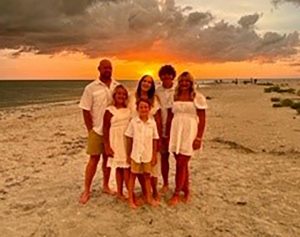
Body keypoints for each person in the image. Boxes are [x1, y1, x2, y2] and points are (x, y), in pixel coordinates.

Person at [79, 59, 119, 204]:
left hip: (112, 131)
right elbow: (85, 109)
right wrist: (90, 129)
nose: (108, 70)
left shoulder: (117, 86)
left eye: (110, 67)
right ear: (99, 69)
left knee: (107, 160)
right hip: (97, 129)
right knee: (93, 160)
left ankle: (106, 186)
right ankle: (87, 190)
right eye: (105, 68)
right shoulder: (91, 88)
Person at [167, 71, 207, 206]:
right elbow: (170, 116)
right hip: (175, 130)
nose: (184, 83)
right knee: (181, 163)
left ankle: (176, 193)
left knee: (181, 163)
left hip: (190, 131)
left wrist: (199, 138)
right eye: (182, 81)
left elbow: (202, 118)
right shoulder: (174, 96)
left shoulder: (197, 97)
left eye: (187, 81)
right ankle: (187, 190)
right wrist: (167, 134)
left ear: (191, 83)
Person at [128, 75, 162, 202]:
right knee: (137, 166)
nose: (146, 83)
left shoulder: (154, 99)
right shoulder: (132, 97)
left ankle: (154, 191)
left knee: (152, 166)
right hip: (135, 131)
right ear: (140, 82)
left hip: (149, 133)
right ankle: (144, 191)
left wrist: (158, 139)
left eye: (149, 82)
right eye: (144, 81)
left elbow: (157, 119)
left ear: (152, 85)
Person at [125, 98, 159, 208]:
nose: (143, 109)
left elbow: (155, 140)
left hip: (147, 155)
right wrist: (128, 154)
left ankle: (149, 197)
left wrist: (154, 155)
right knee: (133, 176)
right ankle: (130, 199)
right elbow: (129, 138)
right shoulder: (134, 122)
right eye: (141, 107)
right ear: (137, 109)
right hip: (135, 154)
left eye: (146, 107)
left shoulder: (152, 123)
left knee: (147, 176)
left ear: (149, 109)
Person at [103, 85, 131, 201]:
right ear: (114, 95)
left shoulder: (129, 110)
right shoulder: (109, 110)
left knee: (127, 168)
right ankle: (120, 192)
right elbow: (105, 129)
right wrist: (107, 146)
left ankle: (129, 192)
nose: (121, 96)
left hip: (126, 140)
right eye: (119, 93)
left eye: (123, 94)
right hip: (115, 140)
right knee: (119, 167)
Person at [155, 65, 176, 194]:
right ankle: (166, 183)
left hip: (176, 128)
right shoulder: (157, 91)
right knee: (164, 157)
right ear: (161, 76)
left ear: (173, 76)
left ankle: (182, 185)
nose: (166, 77)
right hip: (161, 127)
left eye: (169, 74)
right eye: (164, 75)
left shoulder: (178, 90)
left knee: (180, 158)